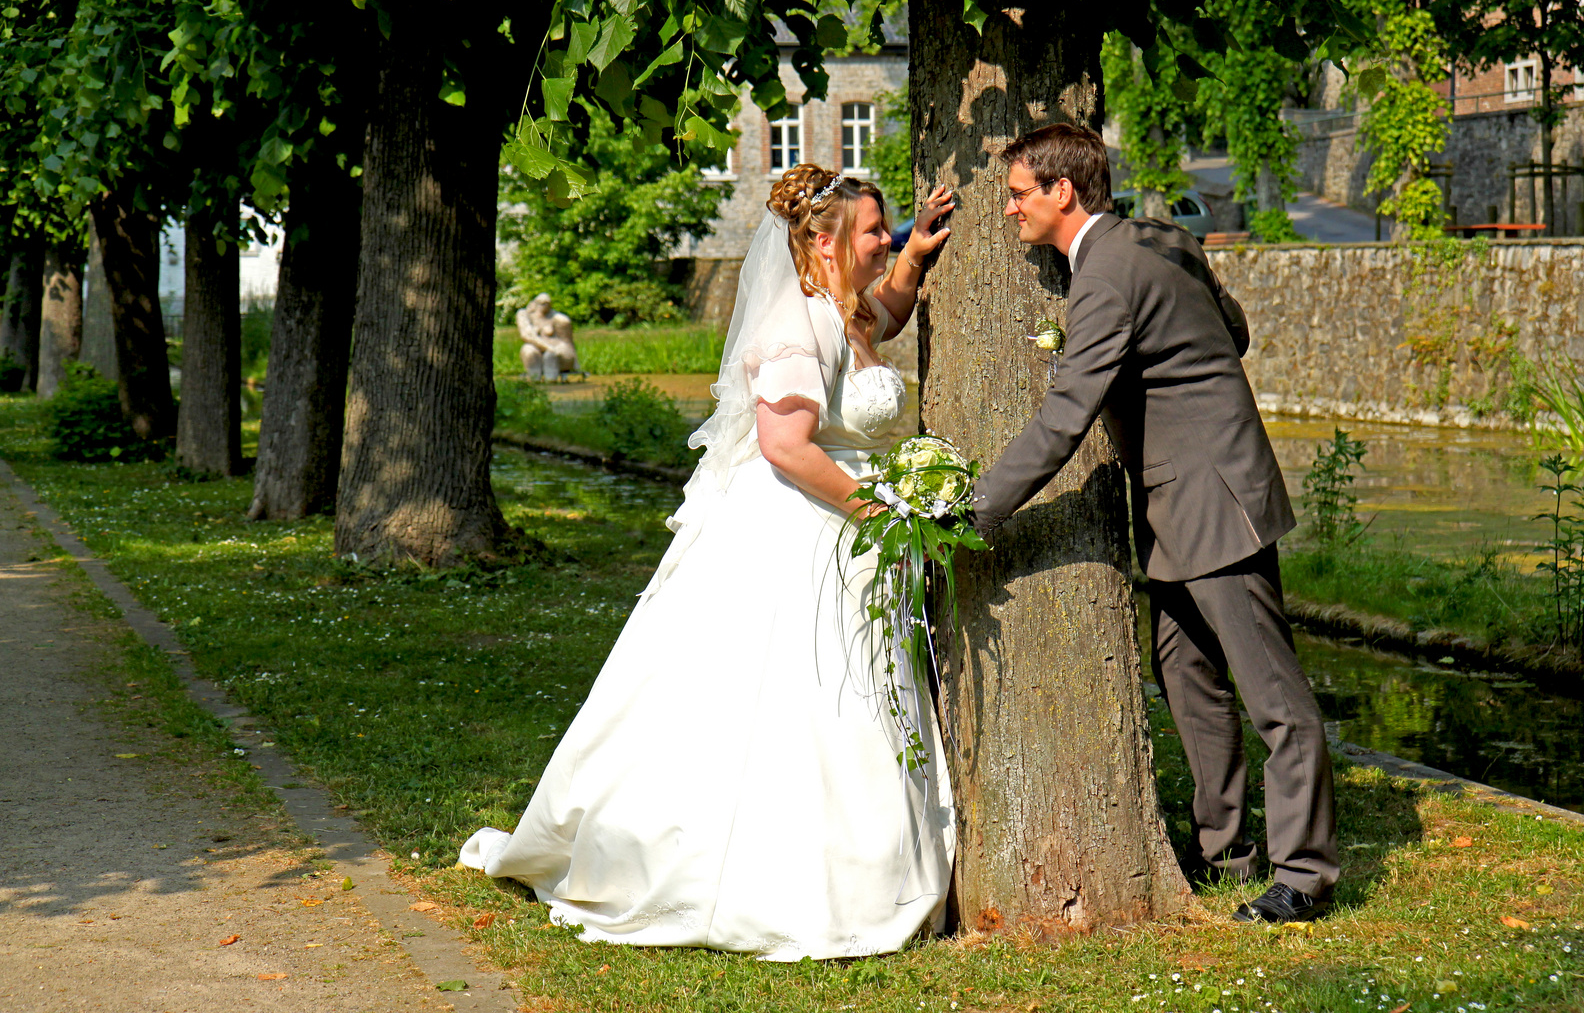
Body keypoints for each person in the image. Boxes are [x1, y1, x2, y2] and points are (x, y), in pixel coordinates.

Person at [459, 166, 959, 959]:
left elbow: (881, 321)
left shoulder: (843, 307)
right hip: (807, 529)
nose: (884, 239)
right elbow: (785, 445)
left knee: (849, 693)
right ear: (823, 243)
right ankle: (778, 878)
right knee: (804, 697)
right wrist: (882, 513)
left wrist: (911, 259)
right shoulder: (796, 327)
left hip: (844, 532)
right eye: (874, 231)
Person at [968, 124, 1339, 924]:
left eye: (1018, 193)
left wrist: (976, 509)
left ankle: (1304, 876)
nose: (1009, 211)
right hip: (1181, 497)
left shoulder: (1102, 280)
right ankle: (1226, 855)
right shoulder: (1162, 238)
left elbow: (1067, 418)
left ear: (1062, 191)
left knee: (1274, 695)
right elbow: (1232, 331)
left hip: (1211, 496)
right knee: (1187, 676)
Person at [516, 293, 579, 382]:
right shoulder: (524, 314)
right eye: (541, 303)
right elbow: (526, 335)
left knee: (551, 356)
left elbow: (567, 342)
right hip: (540, 347)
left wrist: (552, 349)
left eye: (546, 303)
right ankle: (534, 381)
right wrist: (548, 347)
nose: (544, 305)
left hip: (557, 347)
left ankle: (551, 382)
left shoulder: (558, 318)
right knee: (529, 351)